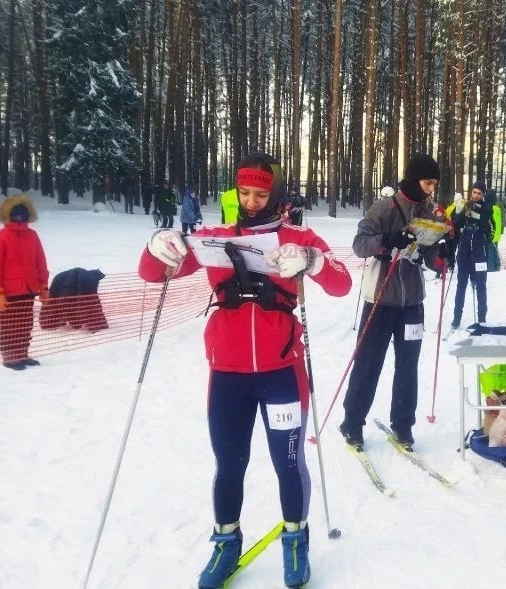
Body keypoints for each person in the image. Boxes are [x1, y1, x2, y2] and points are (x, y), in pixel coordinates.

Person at [139, 153, 352, 589]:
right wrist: (157, 247)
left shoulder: (298, 236)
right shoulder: (214, 237)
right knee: (229, 463)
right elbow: (154, 273)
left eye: (261, 193)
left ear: (276, 193)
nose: (252, 202)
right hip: (228, 373)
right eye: (245, 193)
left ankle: (295, 539)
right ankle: (226, 542)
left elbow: (342, 281)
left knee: (287, 462)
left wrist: (311, 261)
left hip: (281, 372)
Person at [339, 153, 447, 449]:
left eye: (435, 184)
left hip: (412, 302)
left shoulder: (428, 212)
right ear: (414, 180)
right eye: (428, 183)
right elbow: (360, 245)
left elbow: (428, 257)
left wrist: (441, 253)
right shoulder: (383, 208)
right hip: (380, 299)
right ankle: (352, 423)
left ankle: (402, 426)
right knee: (369, 363)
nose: (431, 189)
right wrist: (387, 241)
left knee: (408, 366)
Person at [0, 194, 50, 371]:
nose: (20, 216)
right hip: (9, 289)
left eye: (23, 213)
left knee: (26, 323)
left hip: (29, 288)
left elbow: (40, 260)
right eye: (16, 213)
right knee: (10, 324)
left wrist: (43, 285)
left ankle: (22, 353)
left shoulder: (32, 235)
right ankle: (10, 355)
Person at [445, 182, 494, 329]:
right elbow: (456, 226)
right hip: (464, 251)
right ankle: (457, 317)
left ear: (483, 195)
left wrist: (477, 215)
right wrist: (451, 253)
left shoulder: (487, 208)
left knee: (481, 285)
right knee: (461, 285)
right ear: (471, 192)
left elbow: (489, 228)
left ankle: (482, 318)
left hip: (479, 252)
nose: (476, 195)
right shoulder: (466, 205)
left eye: (479, 193)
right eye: (474, 192)